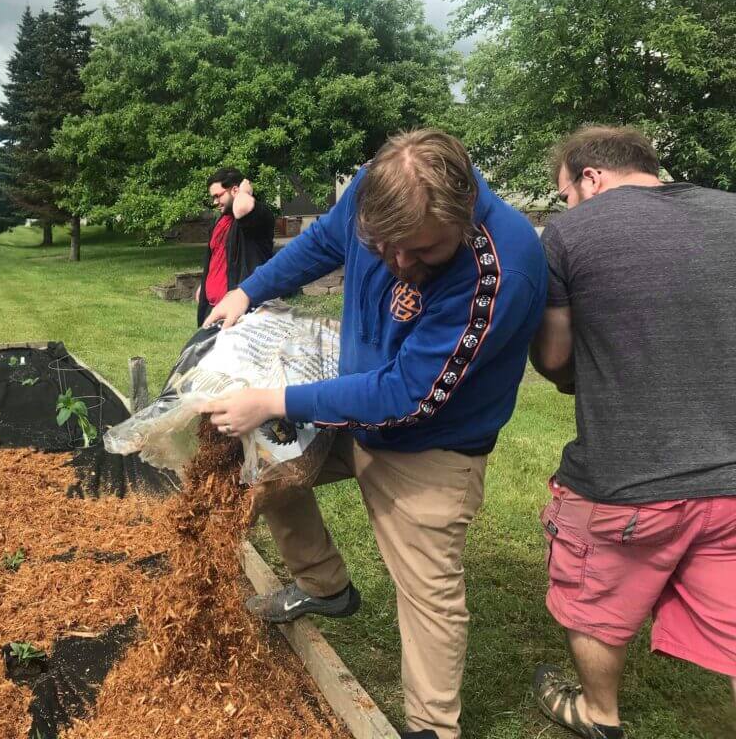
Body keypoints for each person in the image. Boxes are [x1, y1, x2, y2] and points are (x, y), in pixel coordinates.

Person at [200, 130, 548, 739]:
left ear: (463, 216)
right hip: (353, 398)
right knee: (269, 469)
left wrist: (271, 400)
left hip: (432, 443)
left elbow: (405, 394)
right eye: (385, 248)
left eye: (422, 253)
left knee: (427, 591)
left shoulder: (500, 267)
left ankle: (433, 727)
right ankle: (323, 586)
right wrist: (248, 289)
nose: (402, 265)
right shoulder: (372, 190)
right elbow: (321, 243)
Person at [528, 125, 736, 739]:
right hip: (731, 476)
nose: (565, 204)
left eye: (563, 191)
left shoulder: (568, 234)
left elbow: (558, 355)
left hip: (625, 479)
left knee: (593, 600)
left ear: (590, 177)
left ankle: (598, 713)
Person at [195, 168, 274, 327]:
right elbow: (216, 257)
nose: (215, 202)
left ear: (235, 190)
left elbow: (242, 208)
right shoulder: (219, 222)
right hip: (213, 308)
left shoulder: (257, 215)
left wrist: (244, 192)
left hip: (241, 312)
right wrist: (205, 286)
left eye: (218, 196)